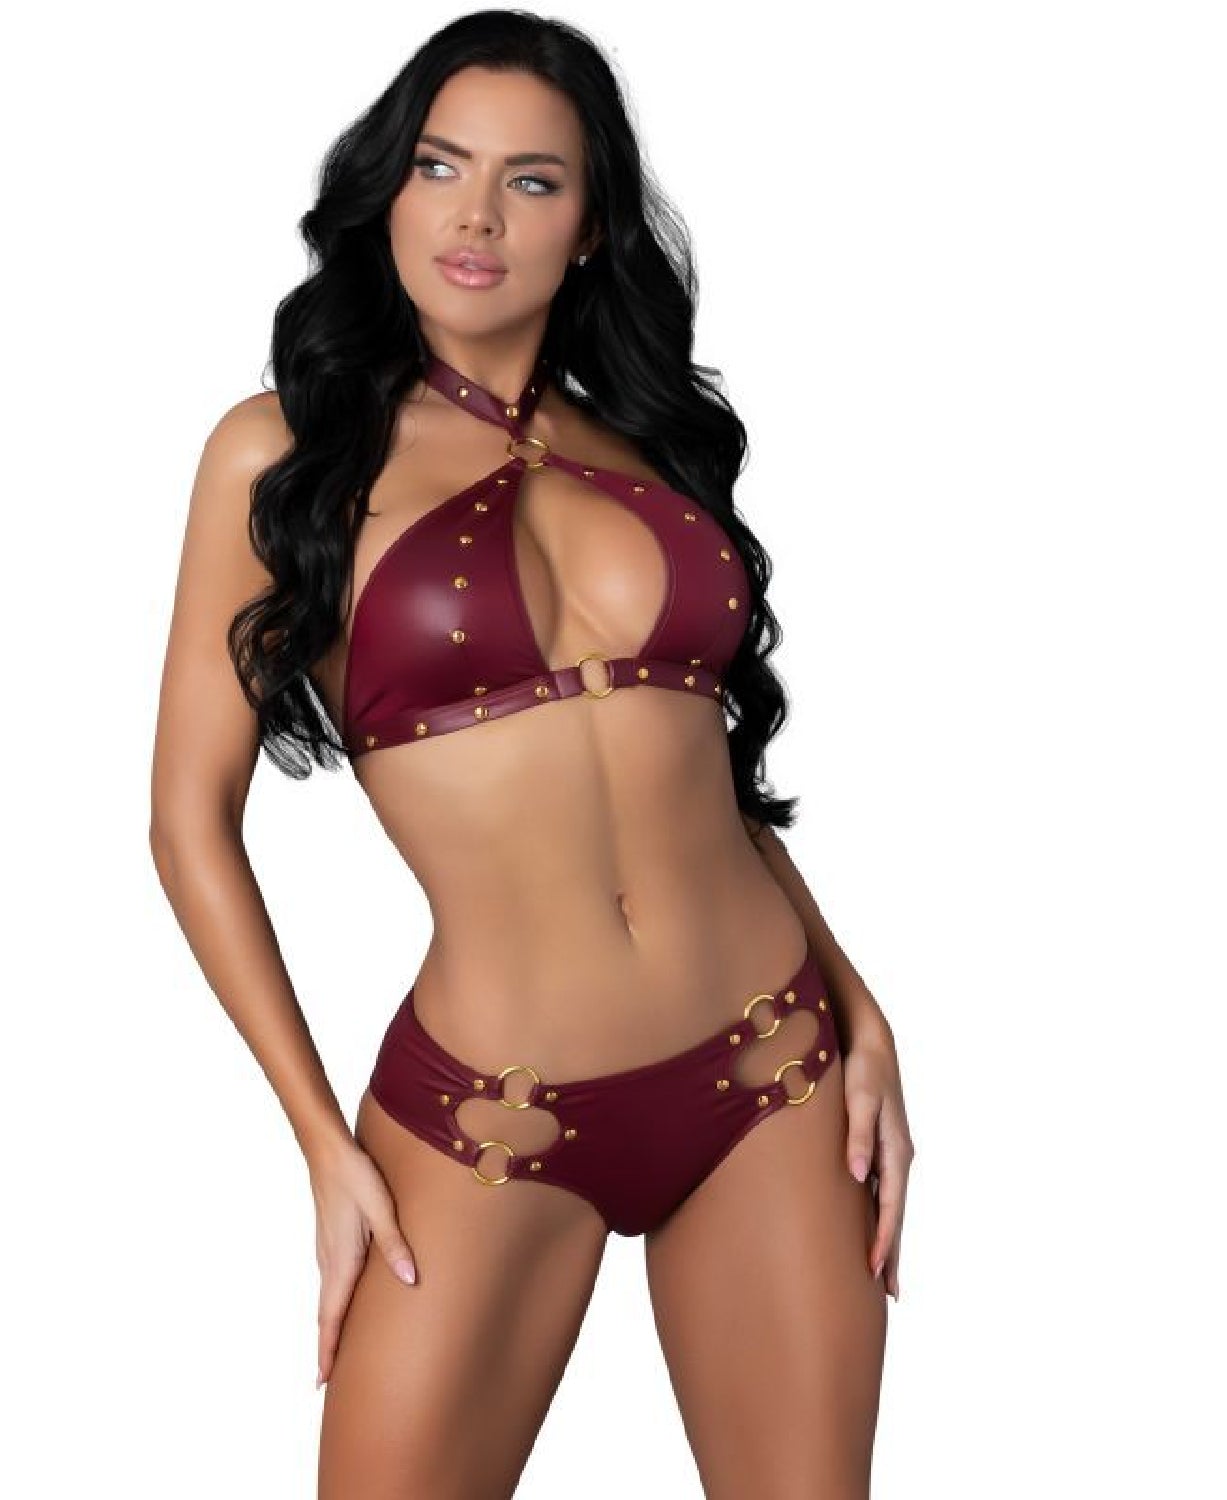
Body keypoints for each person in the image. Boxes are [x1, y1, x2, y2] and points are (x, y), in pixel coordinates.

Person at [150, 11, 914, 1496]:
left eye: (533, 180)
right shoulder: (280, 454)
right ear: (388, 188)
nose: (478, 216)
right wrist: (319, 1143)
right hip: (490, 1114)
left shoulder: (648, 443)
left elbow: (706, 783)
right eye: (441, 167)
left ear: (594, 223)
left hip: (773, 1069)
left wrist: (860, 1002)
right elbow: (190, 822)